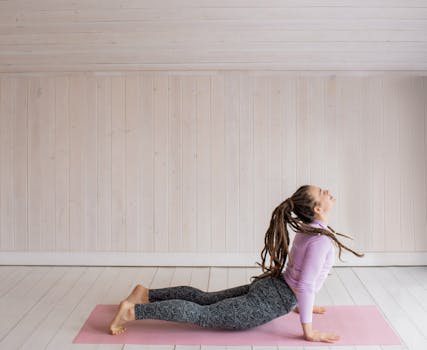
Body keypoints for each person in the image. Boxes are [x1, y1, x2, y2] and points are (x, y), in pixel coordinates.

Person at [109, 184, 364, 343]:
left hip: (272, 287)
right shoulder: (319, 239)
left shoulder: (309, 231)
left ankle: (146, 294)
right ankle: (133, 312)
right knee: (203, 313)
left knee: (205, 299)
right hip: (273, 299)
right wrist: (309, 332)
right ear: (318, 209)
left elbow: (298, 275)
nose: (328, 192)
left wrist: (299, 304)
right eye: (322, 192)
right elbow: (306, 285)